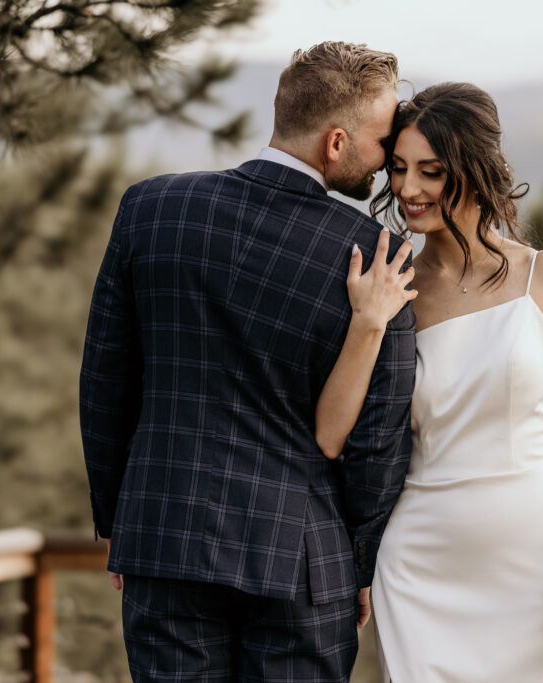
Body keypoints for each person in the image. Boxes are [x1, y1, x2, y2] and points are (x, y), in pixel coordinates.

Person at [79, 42, 417, 682]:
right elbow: (378, 439)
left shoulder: (149, 210)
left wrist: (121, 523)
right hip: (302, 562)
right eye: (382, 141)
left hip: (163, 534)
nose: (386, 162)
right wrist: (361, 563)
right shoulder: (378, 256)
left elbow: (104, 384)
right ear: (336, 143)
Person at [315, 82, 543, 682]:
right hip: (423, 566)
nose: (407, 189)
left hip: (541, 559)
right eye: (398, 169)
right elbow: (331, 434)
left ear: (476, 170)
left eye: (431, 170)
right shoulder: (390, 286)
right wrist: (369, 322)